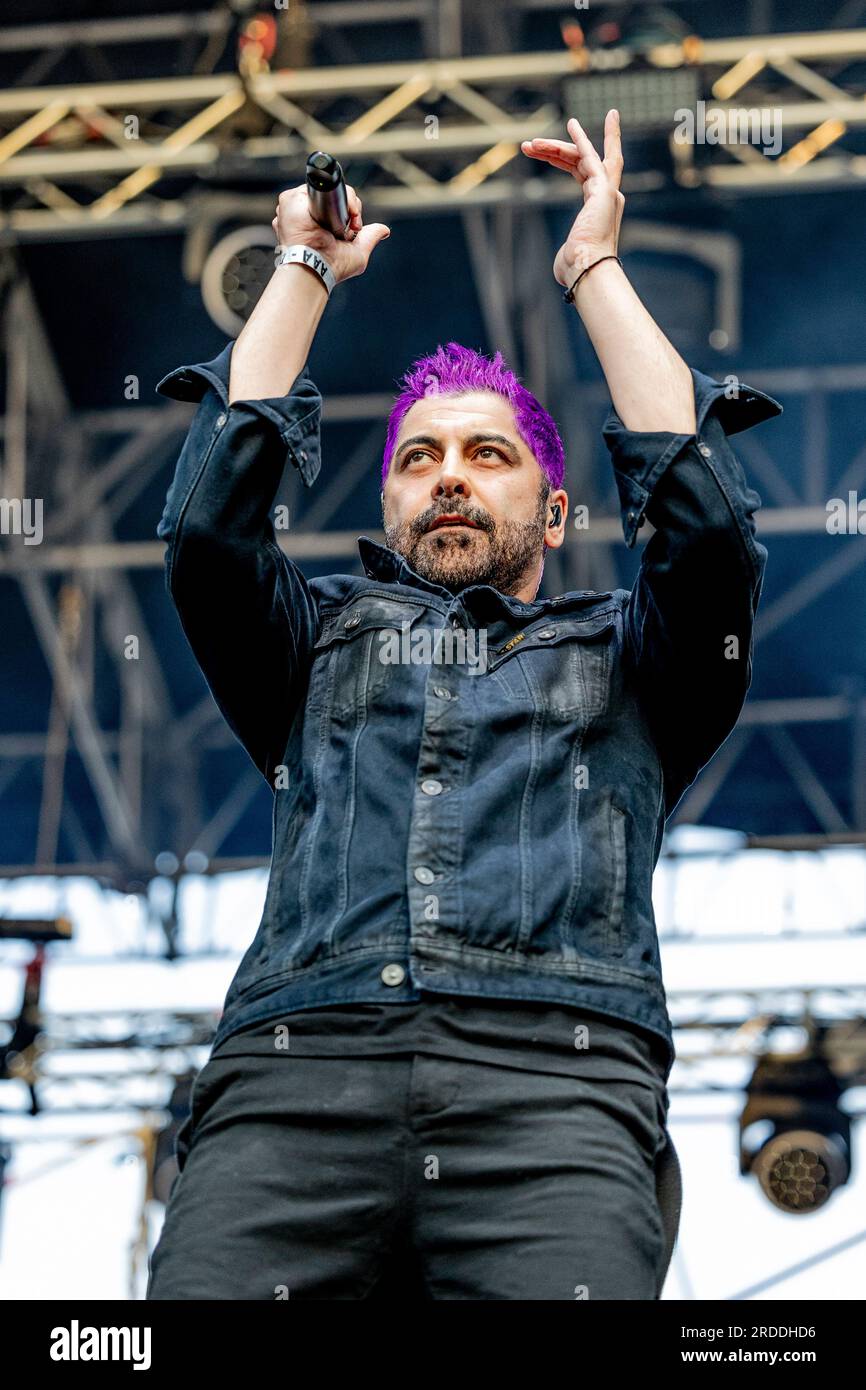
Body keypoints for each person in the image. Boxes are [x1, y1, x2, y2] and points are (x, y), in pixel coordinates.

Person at [146, 111, 781, 1300]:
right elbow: (206, 536)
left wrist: (591, 265)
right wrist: (301, 269)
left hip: (556, 1086)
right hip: (297, 1079)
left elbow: (706, 538)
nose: (446, 470)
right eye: (418, 456)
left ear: (552, 514)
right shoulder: (317, 634)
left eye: (488, 455)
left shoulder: (630, 658)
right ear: (390, 503)